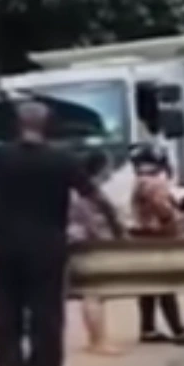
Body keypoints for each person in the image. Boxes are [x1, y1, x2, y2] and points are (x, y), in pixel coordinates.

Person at [0, 102, 124, 366]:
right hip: (48, 252)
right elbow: (96, 198)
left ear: (17, 125)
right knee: (46, 322)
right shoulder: (61, 159)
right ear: (48, 126)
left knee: (5, 321)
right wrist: (118, 232)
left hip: (4, 250)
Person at [130, 143, 184, 347]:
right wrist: (177, 221)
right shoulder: (154, 183)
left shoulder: (138, 181)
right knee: (165, 285)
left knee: (147, 287)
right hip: (158, 238)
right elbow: (163, 210)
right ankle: (178, 330)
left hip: (142, 238)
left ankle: (148, 328)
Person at [69, 151, 121, 355]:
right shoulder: (89, 191)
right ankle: (98, 341)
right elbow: (93, 220)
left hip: (74, 242)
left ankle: (96, 339)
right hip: (88, 243)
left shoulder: (72, 189)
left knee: (89, 294)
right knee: (94, 294)